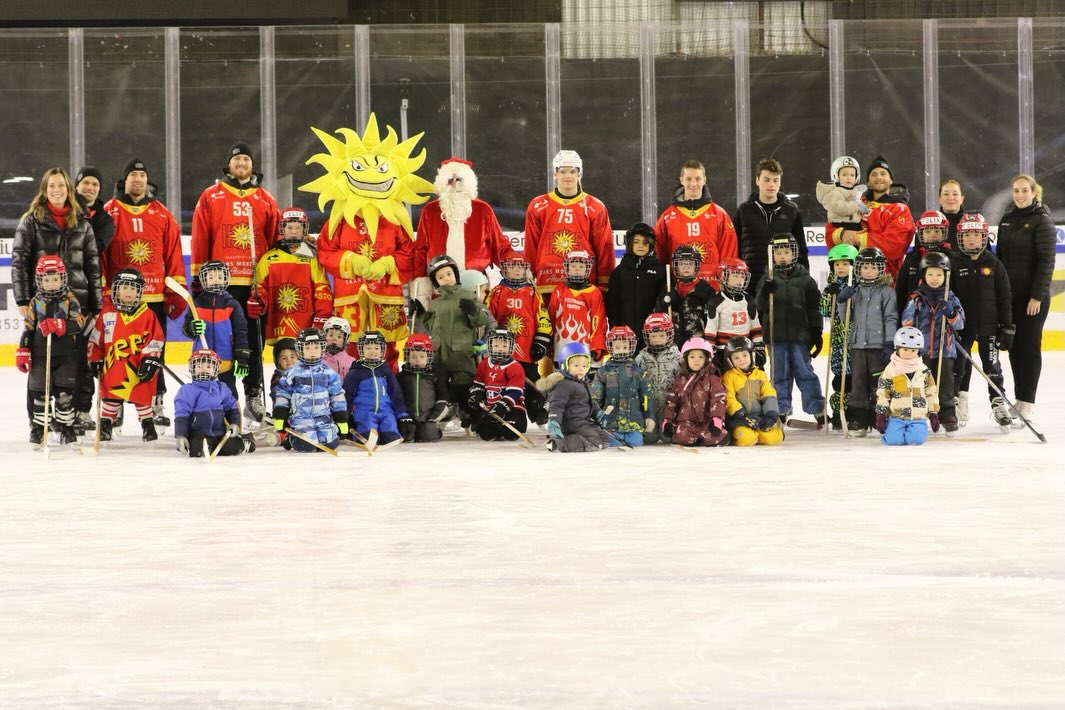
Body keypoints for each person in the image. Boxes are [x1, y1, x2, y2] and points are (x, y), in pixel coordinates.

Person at [191, 142, 281, 423]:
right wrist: (198, 276)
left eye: (246, 159)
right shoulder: (211, 196)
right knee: (221, 340)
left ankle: (253, 394)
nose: (241, 163)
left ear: (252, 165)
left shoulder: (265, 199)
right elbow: (201, 235)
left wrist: (269, 281)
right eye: (237, 159)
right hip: (221, 283)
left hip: (254, 284)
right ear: (228, 165)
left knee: (253, 340)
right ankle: (219, 393)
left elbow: (274, 241)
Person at [12, 168, 103, 432]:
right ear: (44, 189)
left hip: (76, 303)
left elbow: (92, 266)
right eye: (51, 185)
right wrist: (22, 299)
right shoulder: (31, 221)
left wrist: (96, 304)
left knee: (73, 364)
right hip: (42, 304)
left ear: (68, 189)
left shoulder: (82, 222)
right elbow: (20, 262)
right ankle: (38, 423)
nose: (56, 190)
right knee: (40, 366)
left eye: (61, 185)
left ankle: (69, 419)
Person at [103, 157, 188, 429]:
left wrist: (176, 290)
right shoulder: (109, 211)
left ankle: (155, 400)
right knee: (116, 352)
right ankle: (114, 405)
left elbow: (173, 253)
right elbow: (101, 254)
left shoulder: (162, 214)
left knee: (154, 352)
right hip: (120, 300)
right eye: (133, 175)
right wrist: (104, 289)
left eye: (142, 175)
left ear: (147, 180)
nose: (138, 179)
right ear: (125, 180)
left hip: (153, 298)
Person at [995, 174, 1056, 423]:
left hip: (1033, 299)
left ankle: (1028, 402)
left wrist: (1037, 296)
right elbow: (1000, 260)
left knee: (1029, 348)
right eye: (1016, 190)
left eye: (1024, 190)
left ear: (1034, 192)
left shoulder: (1042, 220)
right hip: (1010, 297)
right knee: (1014, 348)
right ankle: (1019, 400)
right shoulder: (1007, 220)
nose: (1020, 195)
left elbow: (1046, 262)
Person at [411, 158, 515, 300]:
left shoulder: (482, 210)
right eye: (450, 181)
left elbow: (500, 246)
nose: (455, 185)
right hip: (440, 285)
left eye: (459, 180)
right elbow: (421, 250)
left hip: (475, 284)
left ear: (468, 182)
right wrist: (420, 281)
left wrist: (514, 263)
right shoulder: (430, 211)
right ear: (443, 184)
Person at [410, 254, 494, 425]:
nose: (446, 279)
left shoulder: (468, 296)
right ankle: (443, 416)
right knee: (441, 389)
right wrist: (420, 314)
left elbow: (482, 321)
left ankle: (474, 418)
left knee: (463, 388)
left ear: (455, 274)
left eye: (449, 274)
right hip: (439, 355)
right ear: (436, 282)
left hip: (461, 354)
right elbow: (431, 326)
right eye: (440, 277)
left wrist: (474, 311)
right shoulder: (436, 303)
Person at [523, 150, 615, 301]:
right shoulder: (538, 205)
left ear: (580, 174)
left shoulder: (595, 206)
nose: (568, 176)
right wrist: (528, 275)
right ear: (555, 173)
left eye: (572, 171)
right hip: (547, 282)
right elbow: (531, 244)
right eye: (563, 171)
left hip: (583, 284)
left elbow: (604, 247)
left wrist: (605, 280)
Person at [951, 213, 1014, 428]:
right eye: (967, 234)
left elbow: (1004, 298)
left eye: (976, 235)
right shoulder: (953, 263)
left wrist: (1008, 327)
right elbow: (948, 297)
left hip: (989, 327)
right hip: (962, 328)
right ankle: (956, 402)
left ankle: (998, 403)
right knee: (958, 366)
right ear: (960, 236)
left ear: (984, 236)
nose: (971, 239)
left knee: (992, 366)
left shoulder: (994, 263)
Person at [87, 268, 164, 443]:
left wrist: (150, 359)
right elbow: (96, 338)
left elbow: (155, 339)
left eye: (133, 288)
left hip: (138, 365)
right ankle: (105, 424)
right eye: (124, 287)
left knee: (142, 394)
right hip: (114, 364)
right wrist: (95, 358)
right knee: (110, 395)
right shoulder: (107, 314)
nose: (129, 292)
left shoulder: (147, 315)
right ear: (116, 289)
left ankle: (147, 424)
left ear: (140, 292)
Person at [755, 234, 825, 426]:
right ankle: (781, 407)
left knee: (805, 372)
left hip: (799, 336)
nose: (782, 256)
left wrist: (817, 332)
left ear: (794, 254)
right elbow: (759, 307)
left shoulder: (806, 280)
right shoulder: (767, 278)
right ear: (772, 255)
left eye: (786, 252)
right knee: (779, 374)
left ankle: (817, 407)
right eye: (778, 253)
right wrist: (764, 292)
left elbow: (814, 308)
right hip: (775, 337)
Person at [15, 256, 84, 447]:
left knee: (65, 394)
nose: (52, 283)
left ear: (63, 278)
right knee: (39, 394)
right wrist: (23, 349)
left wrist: (61, 325)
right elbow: (29, 328)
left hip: (65, 355)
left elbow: (79, 323)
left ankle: (66, 428)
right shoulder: (35, 302)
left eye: (55, 279)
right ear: (39, 280)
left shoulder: (70, 300)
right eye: (46, 279)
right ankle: (39, 430)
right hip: (40, 356)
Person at [70, 167, 115, 432]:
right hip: (59, 293)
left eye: (95, 184)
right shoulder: (64, 210)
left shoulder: (104, 219)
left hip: (87, 294)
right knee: (59, 354)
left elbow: (92, 249)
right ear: (76, 186)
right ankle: (57, 409)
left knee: (85, 355)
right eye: (86, 183)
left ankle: (82, 409)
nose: (90, 188)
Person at [900, 252, 965, 435]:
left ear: (946, 276)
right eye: (930, 274)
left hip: (945, 350)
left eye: (939, 274)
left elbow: (960, 324)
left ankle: (948, 415)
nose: (934, 278)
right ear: (924, 275)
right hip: (922, 352)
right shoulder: (917, 299)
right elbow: (906, 322)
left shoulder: (951, 298)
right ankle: (921, 414)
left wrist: (951, 314)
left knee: (945, 385)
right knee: (921, 384)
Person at [835, 247, 898, 436]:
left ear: (880, 269)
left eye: (873, 267)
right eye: (865, 267)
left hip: (878, 347)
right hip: (858, 346)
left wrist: (889, 342)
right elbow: (845, 317)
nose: (868, 271)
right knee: (858, 383)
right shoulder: (855, 291)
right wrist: (842, 301)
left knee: (878, 384)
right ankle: (858, 419)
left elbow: (891, 318)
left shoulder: (887, 292)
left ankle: (878, 416)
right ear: (858, 269)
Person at [250, 206, 333, 347]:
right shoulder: (268, 258)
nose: (294, 231)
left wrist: (322, 314)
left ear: (304, 229)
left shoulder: (312, 258)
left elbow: (322, 288)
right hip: (277, 325)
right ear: (282, 229)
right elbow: (259, 286)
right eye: (289, 227)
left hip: (305, 326)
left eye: (298, 227)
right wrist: (259, 300)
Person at [825, 154, 915, 283]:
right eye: (873, 174)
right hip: (851, 279)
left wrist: (858, 238)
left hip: (885, 279)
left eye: (883, 173)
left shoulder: (899, 209)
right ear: (867, 181)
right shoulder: (855, 202)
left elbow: (893, 246)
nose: (879, 177)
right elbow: (831, 229)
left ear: (891, 180)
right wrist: (842, 234)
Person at [484, 255, 551, 424]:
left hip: (526, 350)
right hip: (502, 350)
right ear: (504, 270)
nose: (516, 270)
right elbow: (488, 318)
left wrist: (540, 341)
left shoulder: (533, 293)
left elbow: (543, 318)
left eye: (519, 267)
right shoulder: (497, 292)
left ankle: (538, 413)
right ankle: (502, 415)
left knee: (532, 382)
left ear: (525, 269)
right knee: (502, 382)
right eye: (511, 267)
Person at [655, 160, 738, 286]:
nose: (693, 184)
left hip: (712, 289)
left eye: (698, 179)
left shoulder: (719, 215)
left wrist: (724, 286)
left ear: (704, 180)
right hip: (678, 290)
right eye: (688, 179)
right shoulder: (667, 217)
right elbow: (660, 255)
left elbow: (729, 254)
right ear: (681, 180)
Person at [733, 158, 808, 297]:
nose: (771, 185)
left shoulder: (791, 211)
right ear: (757, 180)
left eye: (776, 180)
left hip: (783, 284)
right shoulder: (743, 211)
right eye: (766, 180)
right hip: (750, 285)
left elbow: (801, 250)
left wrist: (803, 281)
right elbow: (734, 249)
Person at [181, 260, 250, 400]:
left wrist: (241, 357)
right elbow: (186, 328)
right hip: (202, 359)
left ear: (226, 278)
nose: (216, 280)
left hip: (226, 357)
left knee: (228, 392)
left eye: (219, 276)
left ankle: (232, 414)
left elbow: (241, 332)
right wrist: (192, 328)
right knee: (201, 393)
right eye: (211, 277)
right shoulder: (196, 303)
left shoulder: (233, 305)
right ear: (204, 280)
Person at [272, 328, 348, 452]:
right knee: (307, 446)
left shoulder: (328, 373)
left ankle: (325, 434)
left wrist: (341, 418)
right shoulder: (292, 372)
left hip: (323, 418)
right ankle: (291, 438)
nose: (312, 351)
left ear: (322, 348)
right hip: (302, 419)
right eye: (307, 348)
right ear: (300, 349)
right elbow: (283, 394)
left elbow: (337, 395)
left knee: (329, 444)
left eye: (316, 348)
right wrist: (280, 414)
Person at [173, 348, 255, 458]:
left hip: (221, 434)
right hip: (198, 434)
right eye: (199, 366)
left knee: (231, 447)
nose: (203, 369)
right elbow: (181, 416)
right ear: (192, 368)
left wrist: (234, 424)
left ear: (216, 369)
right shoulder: (187, 391)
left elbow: (232, 409)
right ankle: (208, 447)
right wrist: (181, 435)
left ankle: (246, 441)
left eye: (208, 366)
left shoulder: (222, 388)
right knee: (196, 450)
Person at [538, 341, 615, 452]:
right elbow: (556, 406)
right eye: (576, 365)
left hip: (584, 423)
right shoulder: (563, 385)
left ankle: (579, 441)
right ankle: (559, 443)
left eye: (584, 366)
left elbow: (589, 403)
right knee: (594, 441)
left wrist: (598, 414)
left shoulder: (582, 383)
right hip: (572, 425)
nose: (581, 369)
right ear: (565, 365)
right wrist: (554, 422)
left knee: (604, 439)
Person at [343, 330, 413, 446]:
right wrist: (346, 415)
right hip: (365, 413)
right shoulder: (355, 372)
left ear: (382, 350)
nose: (373, 351)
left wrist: (402, 414)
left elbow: (395, 393)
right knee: (367, 438)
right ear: (361, 349)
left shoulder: (386, 370)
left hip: (386, 412)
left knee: (392, 438)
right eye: (368, 348)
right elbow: (347, 395)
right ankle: (365, 434)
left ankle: (384, 434)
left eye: (376, 348)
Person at [606, 223, 666, 353]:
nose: (640, 246)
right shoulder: (619, 272)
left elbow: (662, 303)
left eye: (645, 243)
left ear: (651, 245)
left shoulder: (660, 271)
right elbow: (613, 304)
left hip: (652, 334)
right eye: (636, 241)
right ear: (629, 244)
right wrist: (614, 328)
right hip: (625, 335)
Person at [589, 326, 654, 447]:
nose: (621, 350)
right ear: (611, 347)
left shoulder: (639, 372)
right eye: (617, 347)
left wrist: (649, 416)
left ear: (631, 347)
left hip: (634, 422)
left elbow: (647, 397)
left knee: (635, 442)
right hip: (610, 423)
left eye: (625, 347)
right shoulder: (603, 372)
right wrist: (595, 415)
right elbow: (595, 397)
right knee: (613, 443)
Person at [874, 327, 940, 446]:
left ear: (918, 351)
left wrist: (933, 413)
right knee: (893, 440)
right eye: (905, 349)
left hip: (918, 418)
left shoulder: (924, 371)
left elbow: (931, 393)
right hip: (896, 417)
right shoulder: (890, 371)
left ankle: (913, 433)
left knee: (916, 439)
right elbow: (883, 393)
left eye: (913, 350)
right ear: (897, 348)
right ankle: (893, 431)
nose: (909, 354)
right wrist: (881, 414)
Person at [661, 336, 729, 447]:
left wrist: (717, 419)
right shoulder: (681, 380)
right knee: (681, 436)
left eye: (700, 357)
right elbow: (672, 401)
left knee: (716, 437)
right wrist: (667, 420)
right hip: (686, 421)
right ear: (686, 359)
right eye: (692, 357)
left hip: (706, 421)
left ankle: (708, 436)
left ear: (707, 359)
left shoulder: (712, 378)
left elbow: (718, 399)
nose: (696, 360)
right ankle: (692, 438)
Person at [819, 244, 858, 430]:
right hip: (838, 342)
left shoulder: (858, 286)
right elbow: (824, 311)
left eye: (845, 263)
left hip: (856, 340)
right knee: (840, 379)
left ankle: (856, 411)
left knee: (856, 378)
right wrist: (829, 295)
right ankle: (839, 410)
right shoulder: (830, 288)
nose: (840, 267)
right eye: (836, 264)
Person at [467, 328, 529, 441]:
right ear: (489, 346)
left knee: (511, 433)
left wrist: (502, 406)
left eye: (504, 346)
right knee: (486, 434)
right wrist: (477, 396)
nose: (500, 349)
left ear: (511, 347)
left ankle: (509, 425)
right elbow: (478, 385)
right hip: (490, 408)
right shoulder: (484, 364)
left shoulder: (515, 367)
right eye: (496, 346)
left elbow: (515, 392)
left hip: (513, 408)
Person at [721, 335, 784, 446]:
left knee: (774, 439)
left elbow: (769, 394)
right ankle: (738, 435)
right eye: (736, 358)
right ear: (730, 360)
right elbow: (728, 397)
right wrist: (740, 413)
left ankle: (759, 433)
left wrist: (770, 414)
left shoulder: (760, 375)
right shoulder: (728, 377)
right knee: (747, 439)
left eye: (744, 355)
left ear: (751, 355)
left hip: (758, 418)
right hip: (738, 420)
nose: (741, 360)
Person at [704, 257, 763, 371]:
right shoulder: (715, 302)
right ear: (723, 276)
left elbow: (755, 326)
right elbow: (711, 329)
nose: (740, 280)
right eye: (735, 275)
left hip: (745, 351)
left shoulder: (749, 300)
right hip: (724, 350)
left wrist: (759, 347)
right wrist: (711, 351)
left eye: (742, 276)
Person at [549, 250, 607, 361]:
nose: (577, 269)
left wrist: (597, 347)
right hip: (560, 348)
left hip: (585, 349)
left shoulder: (594, 292)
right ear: (567, 268)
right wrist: (548, 344)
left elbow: (599, 323)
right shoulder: (558, 291)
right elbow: (551, 319)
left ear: (587, 269)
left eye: (581, 266)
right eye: (573, 266)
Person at [634, 312, 682, 445]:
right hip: (648, 408)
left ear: (669, 335)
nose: (657, 339)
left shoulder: (677, 357)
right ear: (647, 336)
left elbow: (682, 383)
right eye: (653, 336)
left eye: (661, 335)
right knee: (649, 438)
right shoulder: (641, 358)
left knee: (668, 438)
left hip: (670, 408)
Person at [656, 245, 714, 348]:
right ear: (676, 266)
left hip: (697, 345)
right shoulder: (669, 287)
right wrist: (664, 301)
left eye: (690, 263)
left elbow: (712, 321)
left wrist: (710, 343)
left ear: (696, 266)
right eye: (682, 263)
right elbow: (658, 312)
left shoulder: (705, 289)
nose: (686, 267)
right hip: (673, 345)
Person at [396, 334, 450, 443]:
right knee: (405, 436)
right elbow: (396, 397)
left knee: (429, 437)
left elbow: (443, 394)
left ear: (428, 357)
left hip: (428, 417)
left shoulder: (435, 375)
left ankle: (432, 429)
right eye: (413, 357)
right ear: (407, 357)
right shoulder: (401, 376)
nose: (417, 360)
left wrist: (437, 411)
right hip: (408, 417)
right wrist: (402, 414)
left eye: (422, 356)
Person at [896, 210, 954, 310]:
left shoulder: (952, 258)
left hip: (943, 313)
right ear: (921, 234)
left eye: (937, 231)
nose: (932, 235)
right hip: (914, 314)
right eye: (927, 231)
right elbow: (901, 289)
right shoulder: (912, 258)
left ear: (944, 232)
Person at [815, 155, 869, 234]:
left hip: (854, 225)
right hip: (840, 225)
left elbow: (860, 207)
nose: (848, 177)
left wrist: (864, 212)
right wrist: (855, 206)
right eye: (844, 175)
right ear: (836, 176)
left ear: (857, 177)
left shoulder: (854, 192)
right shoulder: (835, 192)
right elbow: (838, 207)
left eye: (852, 175)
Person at [321, 316, 355, 381]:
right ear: (324, 336)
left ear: (345, 340)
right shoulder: (317, 361)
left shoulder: (352, 363)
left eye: (339, 337)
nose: (334, 339)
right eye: (331, 335)